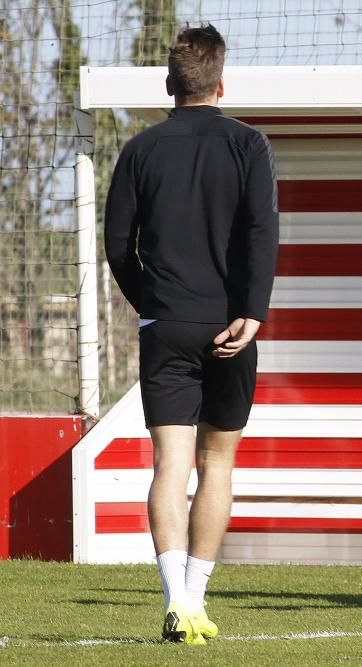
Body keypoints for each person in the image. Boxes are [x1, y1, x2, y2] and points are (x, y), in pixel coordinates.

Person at [104, 24, 279, 644]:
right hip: (233, 324)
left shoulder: (140, 150)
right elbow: (261, 231)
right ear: (221, 83)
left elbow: (117, 246)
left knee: (168, 466)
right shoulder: (249, 144)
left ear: (168, 86)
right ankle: (197, 600)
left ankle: (175, 600)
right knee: (218, 463)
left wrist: (151, 301)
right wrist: (252, 311)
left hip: (166, 322)